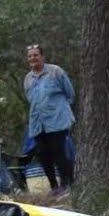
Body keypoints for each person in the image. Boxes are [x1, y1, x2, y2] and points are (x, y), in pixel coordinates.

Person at [24, 44, 76, 198]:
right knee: (42, 154)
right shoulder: (28, 78)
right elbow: (30, 99)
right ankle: (54, 187)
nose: (33, 58)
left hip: (57, 120)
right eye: (30, 56)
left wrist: (59, 110)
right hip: (38, 123)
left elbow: (70, 94)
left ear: (42, 56)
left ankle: (67, 185)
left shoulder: (55, 71)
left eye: (36, 55)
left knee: (59, 153)